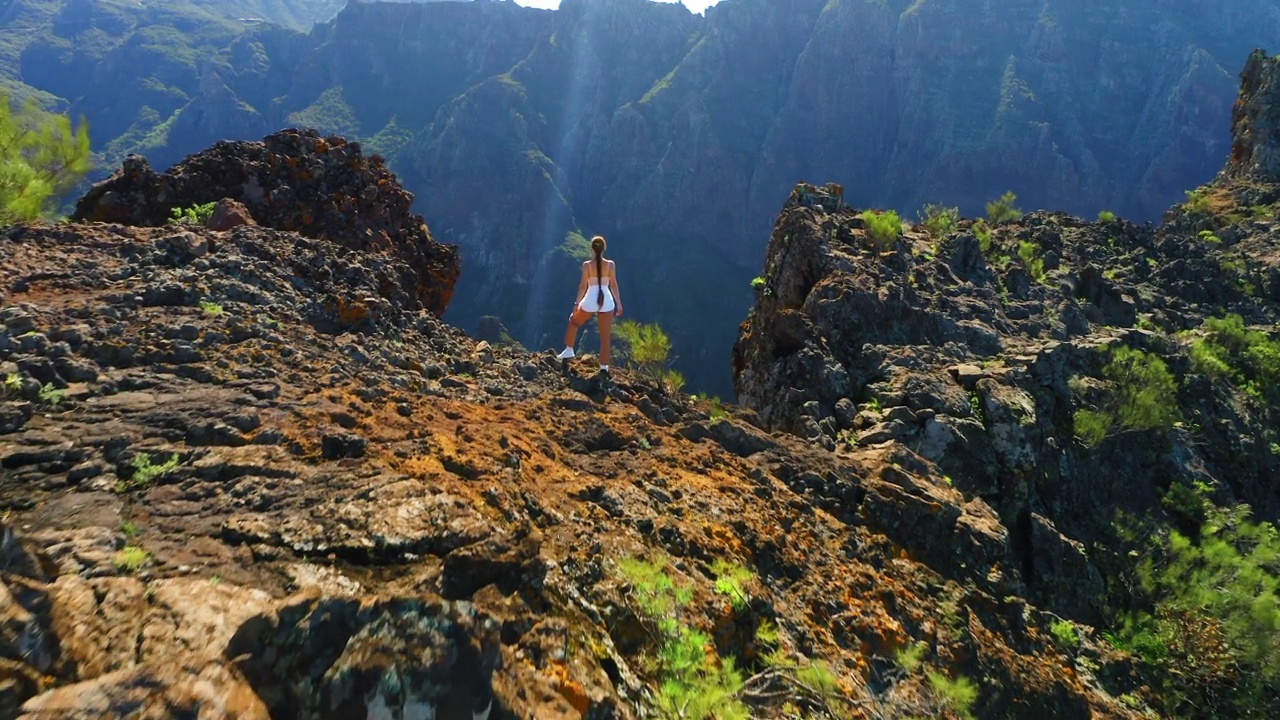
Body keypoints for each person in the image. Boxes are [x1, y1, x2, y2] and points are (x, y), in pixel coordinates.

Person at [556, 235, 623, 370]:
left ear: (592, 249)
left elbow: (582, 286)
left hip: (591, 298)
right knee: (605, 336)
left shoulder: (587, 265)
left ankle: (569, 350)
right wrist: (619, 304)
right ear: (604, 249)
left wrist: (576, 304)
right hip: (607, 300)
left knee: (574, 322)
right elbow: (614, 285)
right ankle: (604, 366)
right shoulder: (611, 265)